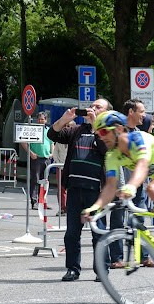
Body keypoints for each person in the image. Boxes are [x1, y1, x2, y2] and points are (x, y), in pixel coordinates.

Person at [81, 111, 154, 304]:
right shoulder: (112, 155)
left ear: (118, 129)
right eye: (98, 134)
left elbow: (143, 166)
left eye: (103, 133)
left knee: (153, 188)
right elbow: (110, 186)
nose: (100, 137)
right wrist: (94, 207)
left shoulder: (138, 139)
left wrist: (131, 186)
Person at [47, 98, 112, 282]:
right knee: (72, 234)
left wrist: (96, 126)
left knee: (98, 232)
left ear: (106, 113)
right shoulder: (77, 130)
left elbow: (105, 149)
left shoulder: (108, 133)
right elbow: (53, 135)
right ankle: (73, 269)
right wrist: (64, 119)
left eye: (98, 107)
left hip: (96, 191)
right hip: (75, 189)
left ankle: (101, 271)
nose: (92, 108)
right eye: (92, 105)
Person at [108, 98, 154, 269]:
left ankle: (143, 256)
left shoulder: (138, 133)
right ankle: (116, 258)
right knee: (118, 221)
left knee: (139, 221)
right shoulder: (118, 132)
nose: (144, 115)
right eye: (141, 111)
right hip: (122, 186)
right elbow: (117, 162)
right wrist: (121, 186)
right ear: (131, 112)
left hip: (138, 186)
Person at [22, 112, 54, 210]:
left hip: (46, 159)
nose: (40, 121)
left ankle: (42, 201)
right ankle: (34, 201)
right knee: (35, 180)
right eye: (39, 119)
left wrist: (52, 153)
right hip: (36, 158)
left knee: (44, 182)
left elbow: (52, 143)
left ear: (46, 120)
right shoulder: (33, 130)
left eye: (42, 119)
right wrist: (31, 153)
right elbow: (23, 141)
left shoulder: (48, 130)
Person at [52, 121, 71, 216]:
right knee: (61, 188)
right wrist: (57, 162)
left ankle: (70, 208)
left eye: (68, 126)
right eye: (65, 126)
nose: (66, 128)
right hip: (60, 166)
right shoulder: (60, 141)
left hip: (70, 167)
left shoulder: (74, 140)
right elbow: (55, 152)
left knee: (70, 189)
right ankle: (62, 208)